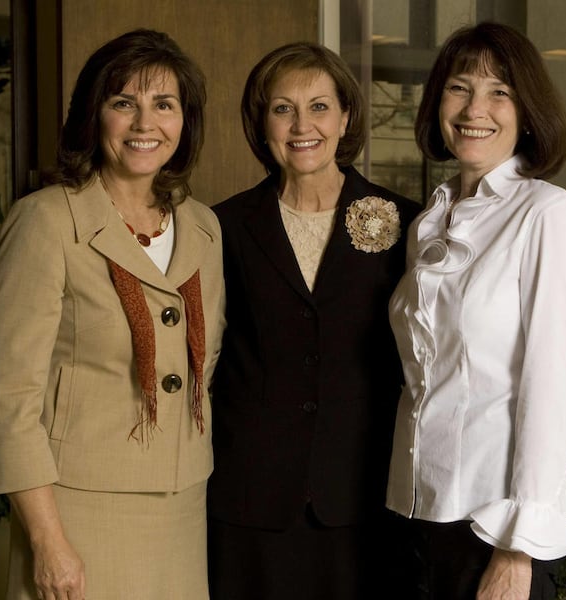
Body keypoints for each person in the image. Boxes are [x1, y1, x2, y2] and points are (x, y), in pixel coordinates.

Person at [0, 29, 225, 600]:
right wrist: (46, 540)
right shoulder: (45, 221)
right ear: (95, 115)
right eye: (124, 103)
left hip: (183, 506)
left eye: (163, 104)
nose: (145, 124)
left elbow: (205, 367)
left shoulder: (204, 227)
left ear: (184, 120)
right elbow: (8, 398)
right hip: (75, 512)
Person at [386, 22, 566, 600]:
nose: (474, 109)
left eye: (499, 92)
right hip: (418, 513)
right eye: (459, 88)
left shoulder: (549, 216)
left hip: (495, 527)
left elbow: (552, 387)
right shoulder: (428, 223)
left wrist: (517, 550)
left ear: (527, 112)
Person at [207, 42, 420, 600]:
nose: (302, 126)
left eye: (319, 107)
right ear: (263, 123)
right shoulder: (221, 227)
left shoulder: (408, 224)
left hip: (365, 495)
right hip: (250, 498)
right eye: (283, 109)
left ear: (345, 117)